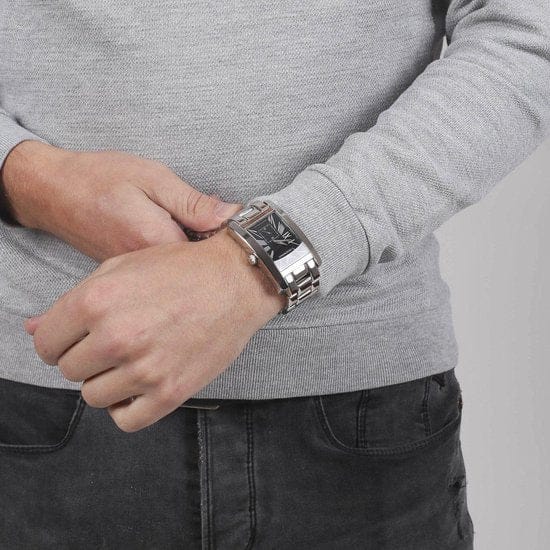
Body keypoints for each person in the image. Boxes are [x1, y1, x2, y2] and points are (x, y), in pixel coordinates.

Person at [0, 1, 548, 548]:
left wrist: (257, 266)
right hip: (50, 392)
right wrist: (28, 179)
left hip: (359, 404)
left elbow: (529, 33)